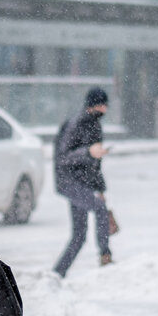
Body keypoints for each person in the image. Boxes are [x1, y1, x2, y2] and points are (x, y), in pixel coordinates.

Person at [53, 87, 113, 277]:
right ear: (92, 105)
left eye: (105, 105)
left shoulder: (95, 125)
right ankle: (106, 256)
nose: (104, 110)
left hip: (83, 183)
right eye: (102, 105)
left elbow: (95, 165)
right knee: (100, 208)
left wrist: (100, 188)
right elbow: (63, 157)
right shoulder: (76, 124)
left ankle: (57, 273)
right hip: (69, 182)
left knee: (79, 235)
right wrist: (88, 152)